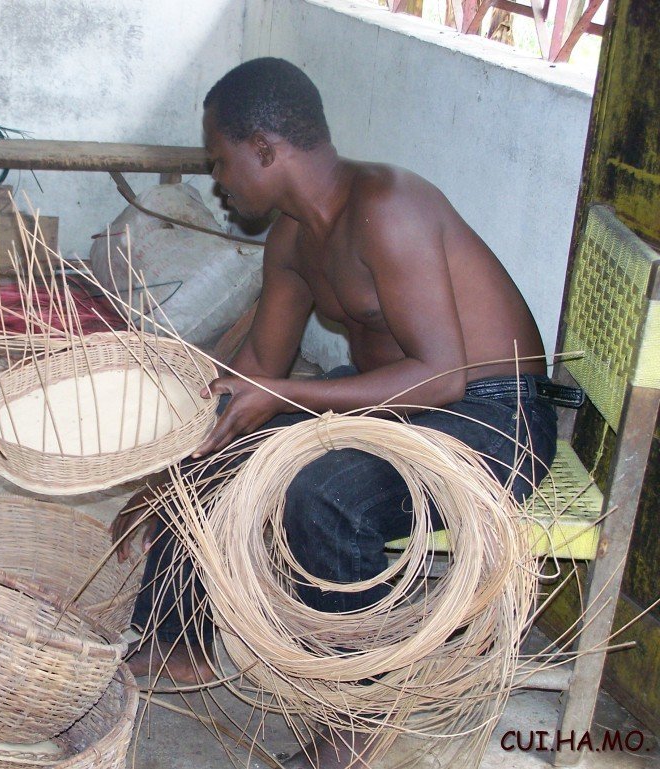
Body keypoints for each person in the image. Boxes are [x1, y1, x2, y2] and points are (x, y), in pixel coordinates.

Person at [109, 57, 573, 763]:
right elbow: (258, 370)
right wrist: (166, 474)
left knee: (325, 495)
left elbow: (443, 376)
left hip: (496, 416)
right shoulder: (292, 238)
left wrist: (281, 396)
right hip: (397, 404)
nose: (219, 179)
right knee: (221, 451)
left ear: (264, 148)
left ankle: (359, 715)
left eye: (221, 160)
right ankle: (179, 642)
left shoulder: (389, 204)